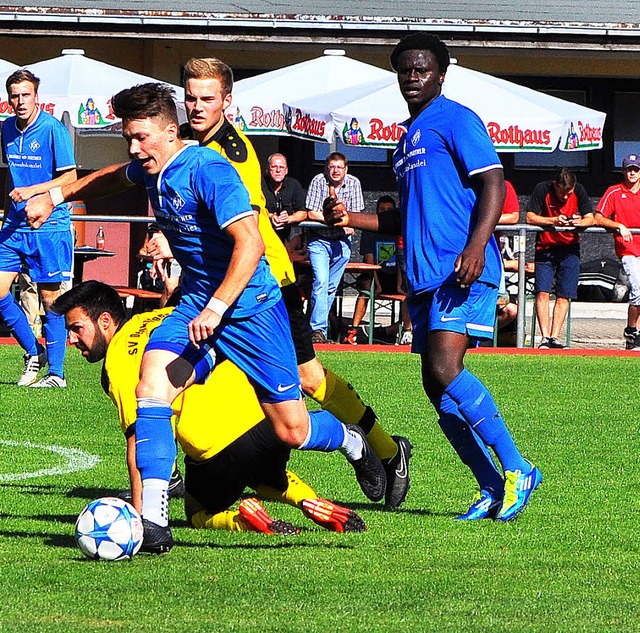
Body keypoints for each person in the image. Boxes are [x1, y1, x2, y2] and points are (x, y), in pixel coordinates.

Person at [25, 83, 385, 555]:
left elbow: (251, 244)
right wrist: (56, 196)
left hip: (251, 309)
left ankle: (351, 440)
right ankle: (153, 521)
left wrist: (218, 308)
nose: (135, 149)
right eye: (129, 138)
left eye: (141, 137)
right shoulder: (153, 167)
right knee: (151, 385)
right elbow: (114, 177)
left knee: (291, 430)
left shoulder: (210, 170)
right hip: (196, 304)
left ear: (170, 132)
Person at [324, 32, 542, 522]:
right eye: (405, 69)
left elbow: (494, 181)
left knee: (445, 369)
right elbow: (403, 215)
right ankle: (489, 486)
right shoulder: (403, 142)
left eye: (422, 69)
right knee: (435, 386)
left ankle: (517, 467)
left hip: (459, 270)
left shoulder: (457, 119)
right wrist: (350, 220)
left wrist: (473, 248)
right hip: (423, 279)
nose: (412, 77)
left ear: (441, 74)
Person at [177, 57, 412, 509]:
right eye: (190, 97)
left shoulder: (233, 153)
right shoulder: (192, 143)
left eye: (207, 98)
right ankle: (181, 476)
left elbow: (240, 232)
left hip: (265, 282)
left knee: (307, 377)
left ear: (227, 102)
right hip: (216, 284)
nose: (197, 106)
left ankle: (384, 448)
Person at [52, 281, 366, 535]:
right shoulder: (170, 317)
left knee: (197, 510)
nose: (71, 339)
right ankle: (312, 493)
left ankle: (239, 521)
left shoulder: (119, 359)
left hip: (216, 450)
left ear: (105, 320)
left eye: (77, 328)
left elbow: (139, 438)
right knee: (263, 471)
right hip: (269, 419)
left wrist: (140, 517)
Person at [0, 69, 77, 387]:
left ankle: (56, 374)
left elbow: (70, 178)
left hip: (49, 225)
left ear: (36, 97)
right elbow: (14, 176)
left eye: (25, 94)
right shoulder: (5, 129)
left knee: (50, 299)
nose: (20, 101)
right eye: (14, 95)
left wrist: (33, 192)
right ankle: (35, 352)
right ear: (8, 99)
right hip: (15, 226)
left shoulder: (53, 129)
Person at [526, 168, 594, 349]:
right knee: (542, 292)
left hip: (570, 249)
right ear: (555, 185)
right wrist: (554, 220)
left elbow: (591, 218)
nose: (565, 197)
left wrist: (579, 222)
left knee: (564, 294)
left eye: (568, 193)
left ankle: (555, 337)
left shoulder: (579, 190)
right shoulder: (542, 189)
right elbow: (530, 217)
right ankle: (544, 337)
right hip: (545, 248)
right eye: (562, 193)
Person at [305, 152, 364, 343]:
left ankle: (317, 330)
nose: (335, 171)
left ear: (346, 169)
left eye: (339, 167)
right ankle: (318, 329)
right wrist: (334, 220)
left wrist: (348, 223)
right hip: (319, 239)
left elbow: (355, 214)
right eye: (332, 166)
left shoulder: (354, 183)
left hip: (341, 243)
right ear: (326, 168)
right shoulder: (318, 181)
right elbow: (311, 213)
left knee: (330, 288)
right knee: (320, 282)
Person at [342, 195, 411, 345]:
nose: (385, 212)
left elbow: (402, 261)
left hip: (396, 275)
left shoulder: (401, 229)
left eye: (389, 210)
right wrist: (377, 284)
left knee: (409, 287)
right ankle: (353, 331)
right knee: (366, 288)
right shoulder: (370, 231)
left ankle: (405, 331)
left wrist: (400, 283)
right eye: (382, 209)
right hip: (376, 274)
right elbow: (369, 260)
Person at [594, 153, 640, 350]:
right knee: (638, 291)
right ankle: (631, 330)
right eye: (629, 169)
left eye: (635, 169)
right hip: (628, 249)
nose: (632, 173)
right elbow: (598, 217)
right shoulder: (614, 192)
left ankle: (634, 333)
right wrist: (618, 225)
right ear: (623, 171)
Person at [261, 153, 307, 243]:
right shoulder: (259, 184)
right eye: (274, 167)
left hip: (287, 238)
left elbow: (303, 212)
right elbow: (252, 209)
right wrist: (270, 216)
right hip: (263, 236)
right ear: (267, 169)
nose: (278, 170)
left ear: (286, 170)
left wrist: (289, 218)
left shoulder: (294, 185)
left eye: (282, 167)